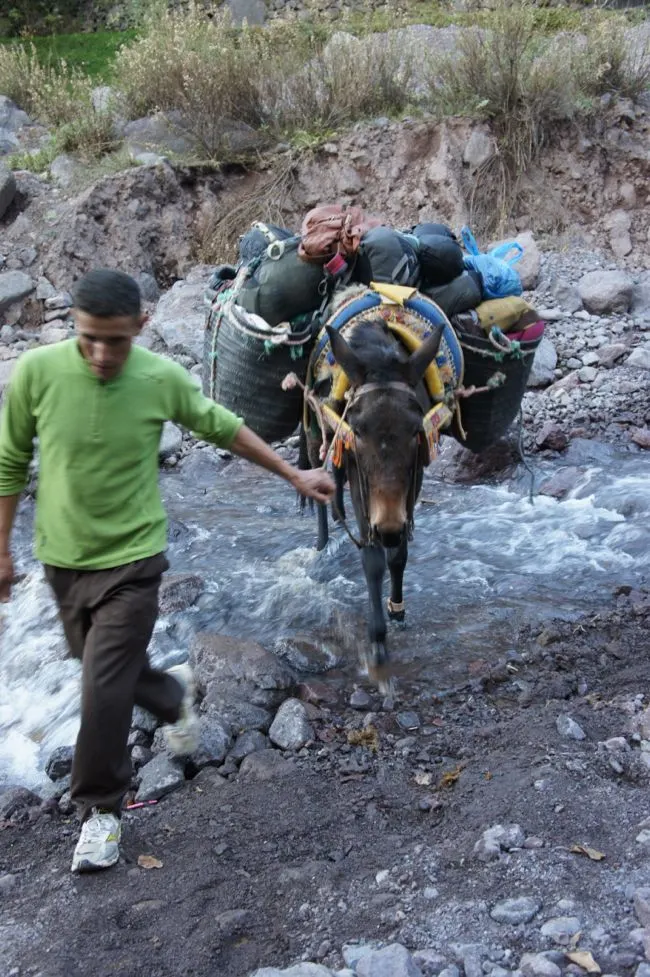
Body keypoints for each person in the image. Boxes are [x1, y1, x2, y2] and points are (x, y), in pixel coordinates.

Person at [0, 268, 334, 874]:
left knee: (101, 685)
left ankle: (101, 812)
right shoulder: (36, 373)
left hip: (134, 562)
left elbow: (222, 427)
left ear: (141, 326)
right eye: (88, 339)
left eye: (116, 341)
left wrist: (294, 475)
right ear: (73, 326)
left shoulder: (160, 379)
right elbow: (8, 460)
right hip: (61, 561)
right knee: (105, 668)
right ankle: (170, 695)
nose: (101, 355)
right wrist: (2, 550)